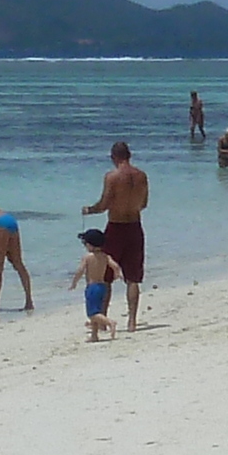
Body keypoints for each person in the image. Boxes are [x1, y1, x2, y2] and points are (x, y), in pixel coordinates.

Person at [81, 140, 149, 331]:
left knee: (106, 275)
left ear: (114, 157)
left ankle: (102, 319)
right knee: (133, 277)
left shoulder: (112, 176)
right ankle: (132, 322)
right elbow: (143, 204)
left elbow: (103, 205)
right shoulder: (142, 176)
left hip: (116, 227)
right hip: (135, 226)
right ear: (129, 155)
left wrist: (89, 209)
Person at [71, 229, 122, 342]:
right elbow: (116, 266)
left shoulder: (88, 257)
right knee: (97, 310)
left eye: (85, 244)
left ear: (89, 245)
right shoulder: (105, 256)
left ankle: (110, 322)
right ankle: (94, 335)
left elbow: (80, 270)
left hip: (92, 287)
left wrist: (74, 282)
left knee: (92, 314)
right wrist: (117, 274)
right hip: (103, 286)